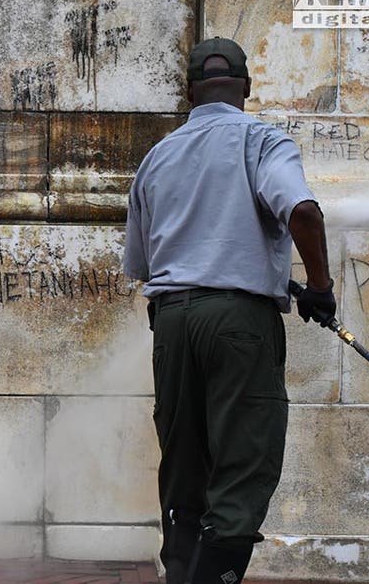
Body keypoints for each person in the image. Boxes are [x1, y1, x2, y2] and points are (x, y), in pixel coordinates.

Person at [122, 37, 335, 583]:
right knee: (243, 462)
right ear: (245, 87)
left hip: (172, 321)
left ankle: (180, 574)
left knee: (184, 465)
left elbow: (146, 263)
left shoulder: (157, 157)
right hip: (239, 325)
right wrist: (319, 285)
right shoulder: (262, 139)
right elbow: (304, 213)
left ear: (189, 91)